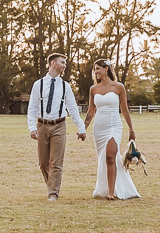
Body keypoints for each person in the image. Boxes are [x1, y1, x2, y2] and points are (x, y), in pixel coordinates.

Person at [27, 52, 86, 201]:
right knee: (43, 162)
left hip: (59, 125)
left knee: (56, 162)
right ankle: (51, 185)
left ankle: (53, 193)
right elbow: (32, 108)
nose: (64, 66)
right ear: (53, 63)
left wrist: (81, 128)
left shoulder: (65, 86)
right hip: (42, 125)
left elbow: (72, 108)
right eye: (62, 62)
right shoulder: (38, 84)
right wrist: (32, 127)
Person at [89, 59, 139, 200]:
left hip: (114, 126)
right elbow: (90, 111)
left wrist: (131, 129)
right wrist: (83, 128)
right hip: (99, 127)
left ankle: (111, 192)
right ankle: (104, 188)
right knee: (103, 159)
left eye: (98, 68)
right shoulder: (94, 89)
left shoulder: (119, 87)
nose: (96, 72)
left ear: (106, 69)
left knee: (110, 156)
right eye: (95, 69)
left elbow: (124, 110)